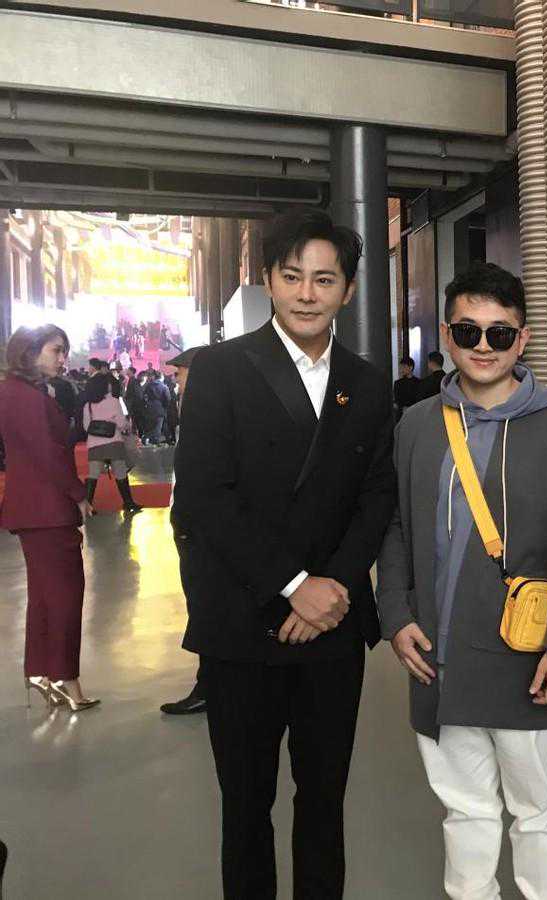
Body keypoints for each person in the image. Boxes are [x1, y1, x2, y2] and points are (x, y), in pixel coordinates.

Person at [173, 208, 395, 899]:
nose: (306, 293)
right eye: (292, 275)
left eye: (324, 280)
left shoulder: (367, 381)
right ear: (268, 279)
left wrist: (334, 588)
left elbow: (375, 498)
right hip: (244, 626)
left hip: (331, 629)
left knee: (324, 802)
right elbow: (206, 497)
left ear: (347, 291)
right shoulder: (220, 370)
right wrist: (295, 584)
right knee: (245, 807)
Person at [377, 262, 547, 900]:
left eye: (500, 334)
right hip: (437, 654)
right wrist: (395, 614)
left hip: (523, 655)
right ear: (447, 335)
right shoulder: (417, 425)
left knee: (538, 809)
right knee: (463, 809)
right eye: (469, 331)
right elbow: (395, 525)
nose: (484, 347)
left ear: (523, 339)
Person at [0, 325, 100, 713]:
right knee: (64, 596)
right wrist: (79, 494)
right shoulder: (24, 396)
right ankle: (64, 677)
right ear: (30, 351)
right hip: (47, 508)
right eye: (56, 350)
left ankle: (42, 671)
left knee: (45, 595)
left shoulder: (19, 392)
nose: (63, 358)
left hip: (35, 508)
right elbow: (49, 454)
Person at [160, 345, 210, 716]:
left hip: (203, 531)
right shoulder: (192, 406)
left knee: (206, 606)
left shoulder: (209, 410)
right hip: (193, 526)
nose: (176, 380)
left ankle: (211, 686)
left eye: (180, 373)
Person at [81, 370, 142, 514]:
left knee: (93, 474)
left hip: (94, 444)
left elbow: (86, 426)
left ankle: (87, 506)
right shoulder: (113, 401)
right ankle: (128, 502)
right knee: (120, 472)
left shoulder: (88, 405)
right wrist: (124, 426)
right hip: (113, 442)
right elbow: (121, 423)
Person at [142, 370, 170, 445]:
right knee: (158, 427)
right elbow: (168, 399)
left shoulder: (148, 385)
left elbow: (144, 396)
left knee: (152, 425)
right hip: (160, 408)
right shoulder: (164, 386)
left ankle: (153, 440)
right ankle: (149, 438)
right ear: (161, 377)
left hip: (150, 408)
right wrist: (165, 407)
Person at [392, 355, 421, 420]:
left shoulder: (419, 383)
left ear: (411, 367)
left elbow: (419, 400)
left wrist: (410, 408)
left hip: (415, 414)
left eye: (404, 367)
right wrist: (402, 407)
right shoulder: (397, 383)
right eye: (401, 367)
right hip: (401, 415)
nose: (402, 369)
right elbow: (397, 400)